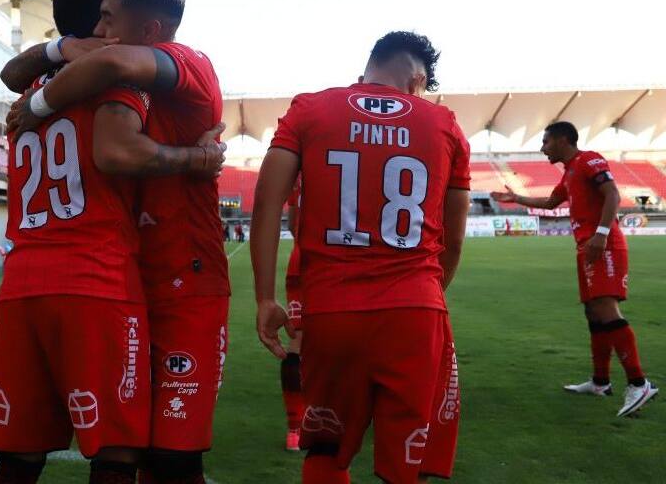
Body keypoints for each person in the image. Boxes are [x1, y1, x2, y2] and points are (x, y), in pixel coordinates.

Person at [0, 0, 225, 484]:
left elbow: (11, 72)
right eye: (105, 15)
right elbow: (115, 150)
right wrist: (199, 158)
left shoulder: (33, 89)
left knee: (19, 458)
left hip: (25, 279)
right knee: (120, 454)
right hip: (100, 277)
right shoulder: (114, 82)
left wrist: (56, 58)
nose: (106, 26)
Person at [252, 31, 470, 483]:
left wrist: (265, 297)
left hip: (332, 309)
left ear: (370, 67)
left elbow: (268, 207)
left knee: (326, 450)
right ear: (418, 80)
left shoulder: (309, 108)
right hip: (414, 310)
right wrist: (427, 294)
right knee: (405, 463)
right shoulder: (444, 123)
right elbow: (453, 239)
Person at [491, 122, 658, 417]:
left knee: (606, 309)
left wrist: (602, 233)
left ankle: (638, 383)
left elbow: (612, 194)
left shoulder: (588, 160)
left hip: (603, 245)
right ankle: (600, 382)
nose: (542, 148)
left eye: (546, 141)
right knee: (593, 312)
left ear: (563, 139)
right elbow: (550, 202)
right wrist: (516, 198)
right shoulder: (569, 172)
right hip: (587, 247)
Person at [281, 178, 304, 451]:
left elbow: (291, 223)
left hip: (303, 258)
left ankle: (295, 428)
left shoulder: (298, 168)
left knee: (298, 341)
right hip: (344, 258)